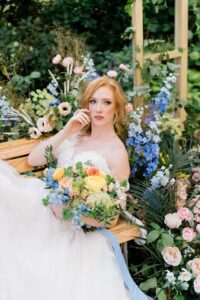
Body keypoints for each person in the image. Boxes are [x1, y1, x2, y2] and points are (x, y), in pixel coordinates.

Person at [0, 76, 150, 300]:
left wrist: (71, 211)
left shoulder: (117, 154)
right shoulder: (76, 136)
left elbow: (111, 216)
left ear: (117, 110)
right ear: (86, 105)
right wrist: (68, 131)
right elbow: (33, 159)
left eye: (106, 103)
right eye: (93, 101)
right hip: (44, 204)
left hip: (71, 222)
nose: (98, 108)